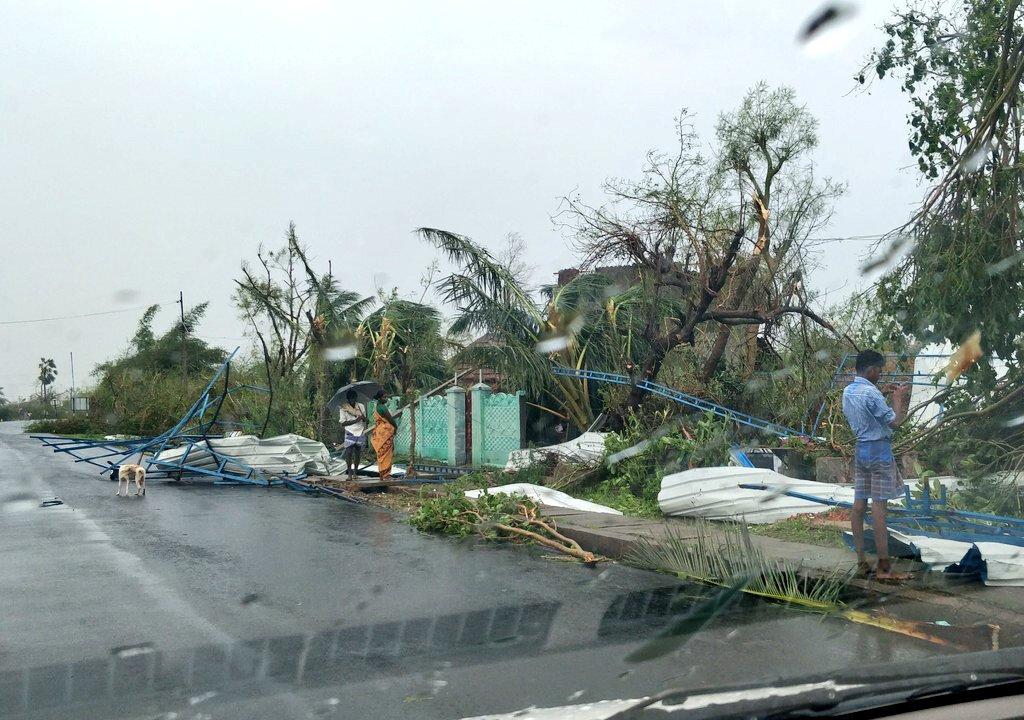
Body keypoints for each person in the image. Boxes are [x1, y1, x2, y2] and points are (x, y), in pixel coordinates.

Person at [842, 349, 912, 580]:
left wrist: (880, 392)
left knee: (859, 506)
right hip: (879, 451)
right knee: (879, 509)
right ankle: (884, 569)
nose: (880, 375)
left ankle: (861, 562)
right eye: (879, 371)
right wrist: (898, 399)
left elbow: (865, 406)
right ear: (871, 370)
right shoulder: (871, 394)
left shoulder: (848, 391)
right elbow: (894, 422)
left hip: (861, 450)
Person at [369, 389, 399, 480]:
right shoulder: (382, 407)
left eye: (386, 397)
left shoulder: (377, 406)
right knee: (386, 453)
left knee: (382, 453)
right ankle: (386, 475)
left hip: (380, 432)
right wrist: (395, 426)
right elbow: (390, 419)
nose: (386, 399)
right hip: (384, 433)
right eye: (384, 397)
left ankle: (383, 473)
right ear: (379, 398)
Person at [338, 389, 368, 480]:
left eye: (354, 398)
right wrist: (355, 420)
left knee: (358, 452)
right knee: (349, 452)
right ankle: (349, 474)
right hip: (350, 432)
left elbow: (366, 420)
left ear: (356, 398)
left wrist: (363, 418)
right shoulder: (344, 408)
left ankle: (355, 473)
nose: (352, 400)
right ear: (348, 399)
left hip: (360, 430)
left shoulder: (361, 406)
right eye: (350, 398)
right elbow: (343, 423)